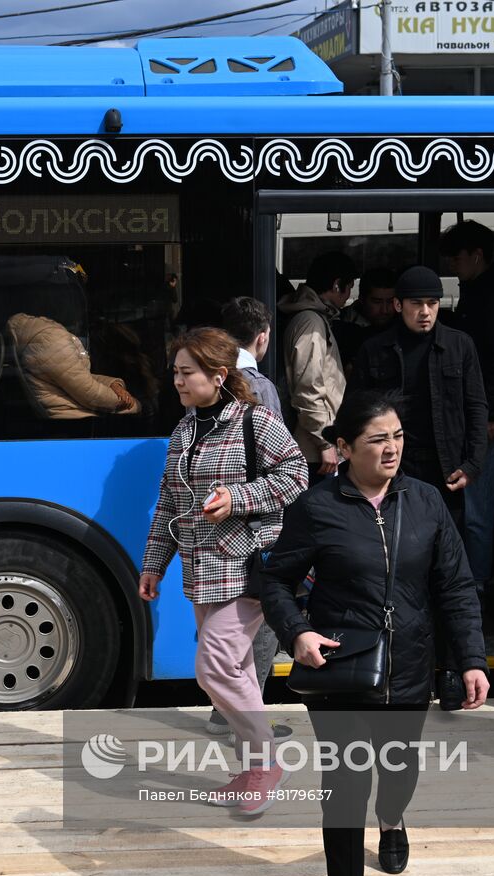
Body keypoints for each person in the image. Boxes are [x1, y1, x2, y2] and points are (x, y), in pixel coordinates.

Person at [258, 389, 489, 876]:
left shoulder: (426, 501)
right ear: (343, 447)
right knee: (344, 786)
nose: (391, 449)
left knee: (398, 768)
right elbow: (275, 580)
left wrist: (472, 659)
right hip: (340, 671)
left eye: (398, 437)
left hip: (409, 668)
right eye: (377, 440)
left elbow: (455, 586)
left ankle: (392, 819)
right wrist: (298, 634)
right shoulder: (317, 508)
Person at [139, 327, 308, 816]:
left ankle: (268, 763)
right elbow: (170, 501)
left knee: (213, 665)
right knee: (232, 671)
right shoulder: (184, 431)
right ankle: (254, 768)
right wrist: (154, 565)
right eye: (174, 372)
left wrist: (239, 499)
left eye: (186, 372)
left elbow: (297, 475)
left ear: (217, 375)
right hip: (202, 568)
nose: (177, 381)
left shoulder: (257, 422)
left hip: (251, 566)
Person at [350, 265, 487, 529]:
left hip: (446, 464)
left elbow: (477, 406)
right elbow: (357, 410)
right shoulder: (375, 349)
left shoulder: (460, 346)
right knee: (395, 541)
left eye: (432, 303)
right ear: (398, 305)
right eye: (417, 303)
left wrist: (473, 463)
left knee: (445, 545)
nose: (425, 312)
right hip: (393, 463)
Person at [207, 297, 287, 741]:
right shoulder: (259, 386)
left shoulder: (205, 381)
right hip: (256, 516)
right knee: (264, 613)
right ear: (262, 336)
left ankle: (225, 711)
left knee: (229, 615)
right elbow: (279, 460)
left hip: (216, 516)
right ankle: (246, 721)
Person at [441, 222, 494, 596]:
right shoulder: (484, 290)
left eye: (456, 258)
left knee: (476, 509)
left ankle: (475, 588)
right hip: (478, 413)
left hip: (482, 417)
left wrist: (491, 413)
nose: (452, 266)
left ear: (476, 256)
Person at [281, 252, 357, 475]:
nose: (350, 294)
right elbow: (307, 387)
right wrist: (325, 441)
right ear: (336, 285)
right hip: (315, 450)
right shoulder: (310, 322)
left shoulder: (314, 318)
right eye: (349, 286)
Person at [8, 312, 139, 419]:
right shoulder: (51, 339)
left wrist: (113, 384)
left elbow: (77, 375)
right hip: (71, 420)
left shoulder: (37, 335)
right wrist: (129, 401)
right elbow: (89, 394)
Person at [333, 266, 397, 367]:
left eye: (390, 302)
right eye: (377, 302)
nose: (384, 310)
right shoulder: (338, 325)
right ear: (362, 299)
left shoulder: (402, 327)